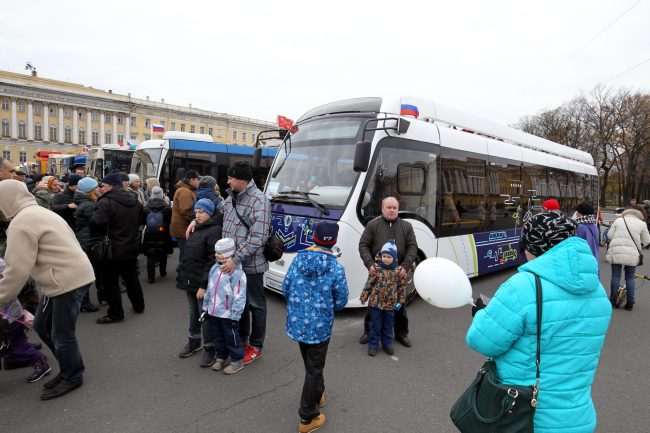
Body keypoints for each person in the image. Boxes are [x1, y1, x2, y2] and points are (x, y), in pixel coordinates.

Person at [467, 210, 611, 432]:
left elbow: (482, 341)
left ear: (533, 246)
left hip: (527, 417)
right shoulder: (597, 290)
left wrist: (481, 315)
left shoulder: (523, 286)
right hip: (578, 417)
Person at [0, 180, 95, 400]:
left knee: (62, 335)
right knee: (43, 326)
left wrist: (1, 298)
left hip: (66, 281)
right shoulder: (37, 212)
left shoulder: (21, 223)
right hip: (65, 277)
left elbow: (16, 271)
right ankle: (68, 368)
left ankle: (73, 375)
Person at [282, 221, 349, 433]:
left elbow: (286, 288)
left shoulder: (297, 260)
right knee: (314, 368)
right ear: (334, 241)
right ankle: (307, 417)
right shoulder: (336, 267)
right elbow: (341, 300)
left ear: (314, 238)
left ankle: (318, 391)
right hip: (320, 328)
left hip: (298, 323)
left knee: (310, 364)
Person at [219, 160, 271, 365]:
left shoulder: (259, 201)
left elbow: (258, 238)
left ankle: (256, 346)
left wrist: (236, 259)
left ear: (242, 179)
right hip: (234, 264)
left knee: (256, 305)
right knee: (239, 304)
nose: (228, 180)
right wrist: (197, 220)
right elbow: (218, 213)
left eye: (231, 177)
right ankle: (242, 340)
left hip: (251, 266)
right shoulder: (232, 196)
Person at [358, 197, 418, 348]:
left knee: (400, 305)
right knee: (373, 306)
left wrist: (405, 266)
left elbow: (412, 247)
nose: (392, 210)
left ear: (398, 209)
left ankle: (401, 333)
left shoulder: (407, 226)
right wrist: (370, 264)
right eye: (389, 207)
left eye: (394, 208)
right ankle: (368, 332)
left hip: (398, 274)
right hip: (377, 273)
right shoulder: (373, 225)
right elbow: (363, 245)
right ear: (382, 208)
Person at [90, 169, 146, 324]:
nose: (101, 188)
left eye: (104, 185)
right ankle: (139, 305)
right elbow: (142, 218)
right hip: (130, 245)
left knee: (111, 282)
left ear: (112, 186)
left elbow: (96, 223)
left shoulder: (105, 202)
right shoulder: (134, 199)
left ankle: (116, 314)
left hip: (112, 249)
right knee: (131, 277)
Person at [176, 198, 221, 366]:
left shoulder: (214, 231)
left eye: (201, 212)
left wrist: (203, 285)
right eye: (196, 212)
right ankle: (194, 341)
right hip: (190, 278)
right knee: (193, 312)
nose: (198, 215)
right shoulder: (198, 227)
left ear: (210, 212)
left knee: (205, 315)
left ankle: (210, 348)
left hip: (201, 282)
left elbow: (212, 261)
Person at [201, 238, 247, 375]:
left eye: (220, 253)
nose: (216, 255)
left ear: (229, 254)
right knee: (217, 336)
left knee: (231, 337)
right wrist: (206, 306)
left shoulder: (237, 273)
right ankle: (221, 357)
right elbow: (210, 289)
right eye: (216, 253)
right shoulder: (214, 268)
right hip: (214, 311)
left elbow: (240, 296)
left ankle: (237, 360)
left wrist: (236, 314)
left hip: (229, 314)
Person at [360, 240, 406, 356]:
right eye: (384, 256)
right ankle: (373, 345)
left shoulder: (397, 271)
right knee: (375, 325)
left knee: (388, 325)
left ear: (394, 258)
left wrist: (401, 301)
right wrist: (364, 296)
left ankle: (387, 344)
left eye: (389, 257)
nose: (386, 259)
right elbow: (369, 284)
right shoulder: (376, 269)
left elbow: (401, 287)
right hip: (375, 304)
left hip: (390, 305)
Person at [605, 205, 650, 311]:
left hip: (616, 250)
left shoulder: (619, 220)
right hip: (632, 253)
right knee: (629, 278)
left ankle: (613, 299)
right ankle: (630, 302)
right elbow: (647, 240)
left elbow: (610, 235)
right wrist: (639, 243)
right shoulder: (642, 224)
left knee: (616, 275)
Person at [73, 177, 102, 312]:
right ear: (90, 190)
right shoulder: (89, 205)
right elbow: (96, 223)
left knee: (91, 272)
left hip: (85, 239)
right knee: (89, 274)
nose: (98, 189)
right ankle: (84, 303)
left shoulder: (84, 202)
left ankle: (88, 300)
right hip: (88, 241)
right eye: (96, 187)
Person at [142, 186, 172, 283]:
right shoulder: (166, 207)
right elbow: (168, 221)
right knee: (163, 253)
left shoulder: (146, 207)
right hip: (163, 232)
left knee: (150, 255)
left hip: (149, 232)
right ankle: (162, 271)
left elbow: (143, 220)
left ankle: (151, 276)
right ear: (162, 195)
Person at [170, 170, 200, 258]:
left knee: (184, 254)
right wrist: (195, 222)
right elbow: (186, 211)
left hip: (182, 228)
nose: (198, 182)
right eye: (197, 179)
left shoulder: (186, 190)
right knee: (185, 255)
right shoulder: (185, 191)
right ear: (191, 180)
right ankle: (183, 271)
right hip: (183, 229)